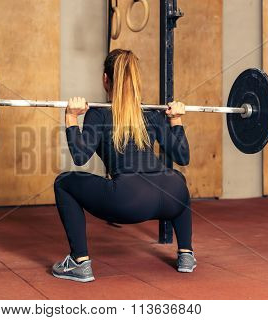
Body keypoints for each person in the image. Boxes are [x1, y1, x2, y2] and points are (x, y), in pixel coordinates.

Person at [52, 49, 195, 282]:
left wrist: (70, 117)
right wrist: (176, 120)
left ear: (105, 79)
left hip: (129, 201)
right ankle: (186, 255)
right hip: (172, 197)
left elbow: (79, 157)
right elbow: (183, 157)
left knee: (64, 182)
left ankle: (79, 262)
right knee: (177, 178)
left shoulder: (98, 114)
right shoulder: (152, 113)